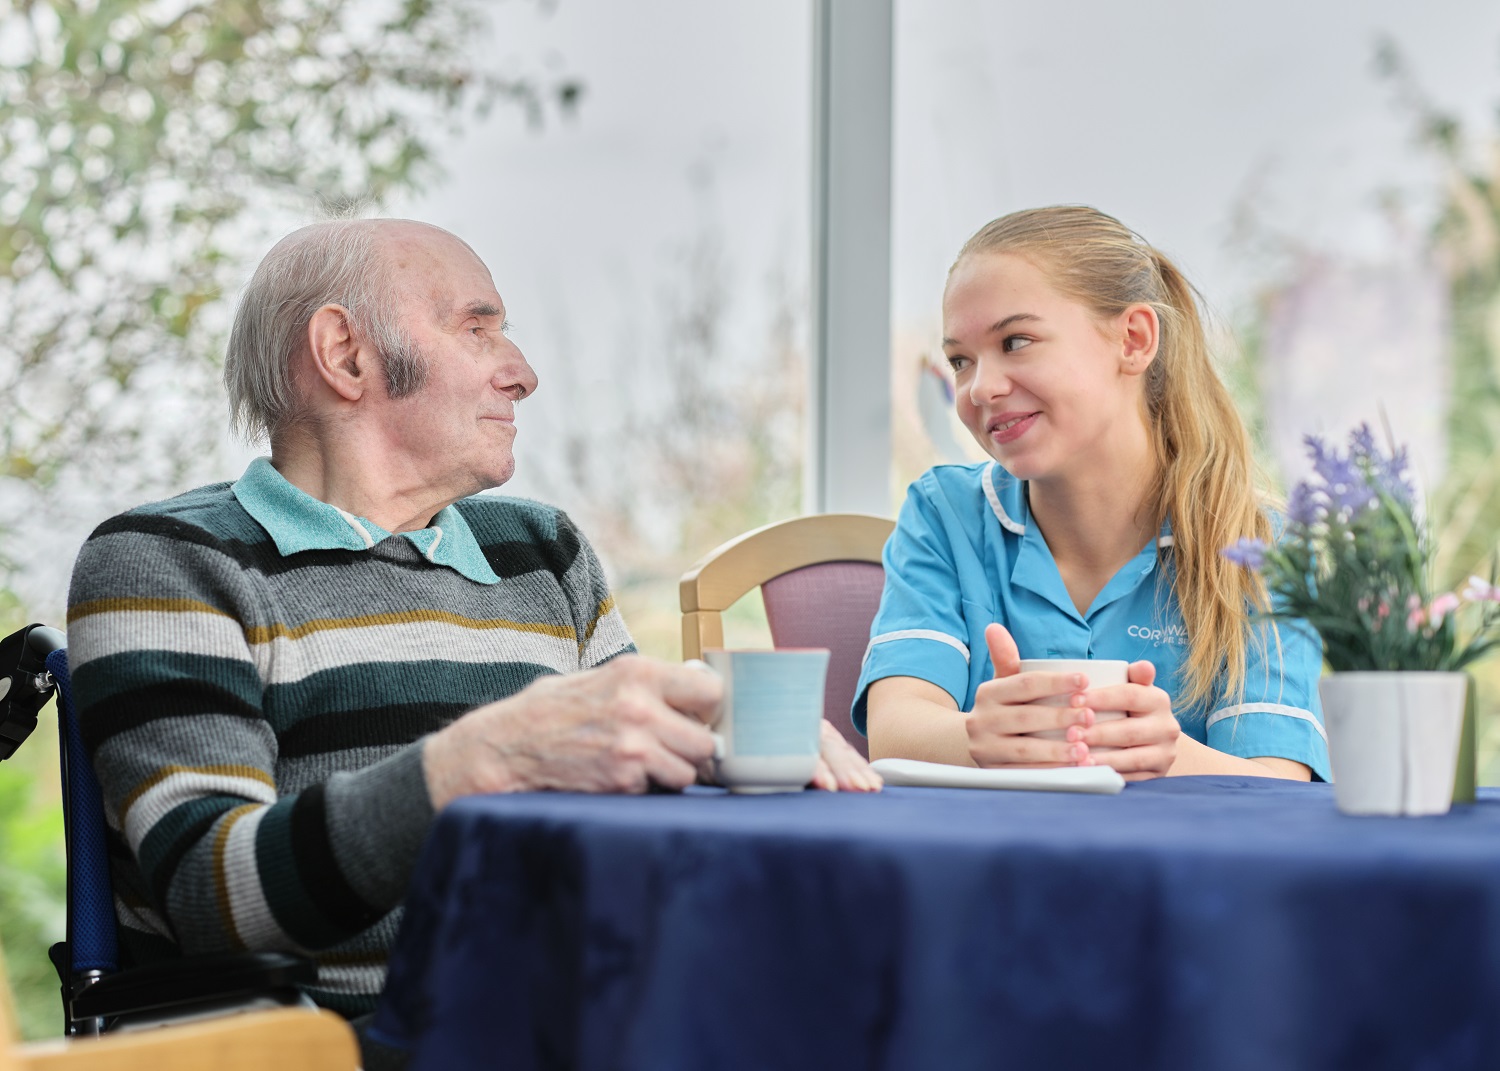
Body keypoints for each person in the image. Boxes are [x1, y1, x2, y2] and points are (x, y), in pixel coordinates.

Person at [65, 218, 879, 1025]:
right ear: (347, 354)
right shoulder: (168, 560)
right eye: (477, 329)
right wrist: (482, 757)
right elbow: (220, 897)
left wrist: (718, 742)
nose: (522, 373)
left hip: (579, 1016)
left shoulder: (542, 551)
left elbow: (633, 788)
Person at [856, 206, 1330, 782]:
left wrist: (1166, 752)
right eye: (961, 360)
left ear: (1132, 340)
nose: (981, 387)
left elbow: (1278, 782)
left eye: (1016, 340)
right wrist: (978, 737)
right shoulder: (943, 514)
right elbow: (895, 728)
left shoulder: (1256, 545)